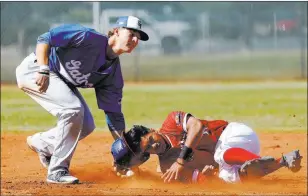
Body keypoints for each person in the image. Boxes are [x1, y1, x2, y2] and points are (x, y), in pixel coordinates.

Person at [15, 16, 149, 184]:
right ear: (116, 31)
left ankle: (42, 144)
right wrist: (43, 69)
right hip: (35, 69)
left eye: (139, 37)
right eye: (131, 33)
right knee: (73, 109)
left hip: (61, 79)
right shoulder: (88, 37)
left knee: (86, 125)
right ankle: (57, 171)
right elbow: (45, 38)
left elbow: (113, 114)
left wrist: (125, 151)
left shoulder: (113, 76)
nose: (135, 40)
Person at [111, 111, 302, 183]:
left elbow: (196, 126)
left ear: (152, 130)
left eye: (151, 139)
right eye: (148, 149)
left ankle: (251, 161)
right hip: (228, 159)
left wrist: (181, 160)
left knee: (222, 155)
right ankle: (282, 161)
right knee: (229, 178)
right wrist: (209, 175)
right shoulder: (166, 167)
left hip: (235, 134)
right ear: (145, 155)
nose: (155, 145)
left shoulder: (171, 122)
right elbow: (201, 180)